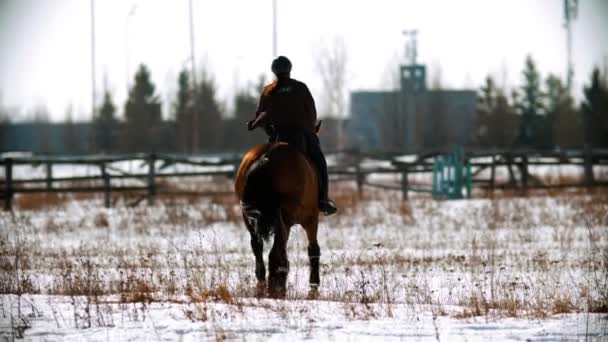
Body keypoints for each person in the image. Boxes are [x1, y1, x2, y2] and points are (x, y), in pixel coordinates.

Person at [247, 56, 337, 216]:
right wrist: (310, 129)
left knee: (258, 165)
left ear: (274, 71)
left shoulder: (268, 91)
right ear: (290, 69)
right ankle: (323, 200)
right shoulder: (300, 88)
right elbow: (311, 112)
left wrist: (269, 132)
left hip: (278, 136)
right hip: (301, 134)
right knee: (320, 162)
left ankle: (253, 202)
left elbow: (260, 116)